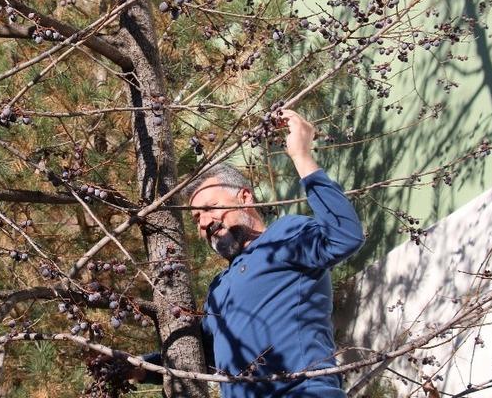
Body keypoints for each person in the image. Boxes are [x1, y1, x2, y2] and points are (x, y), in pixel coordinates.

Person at [132, 109, 365, 397]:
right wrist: (141, 367)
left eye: (209, 208)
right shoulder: (219, 287)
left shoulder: (285, 235)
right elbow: (203, 358)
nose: (204, 223)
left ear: (244, 197)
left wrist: (302, 156)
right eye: (196, 220)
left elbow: (344, 235)